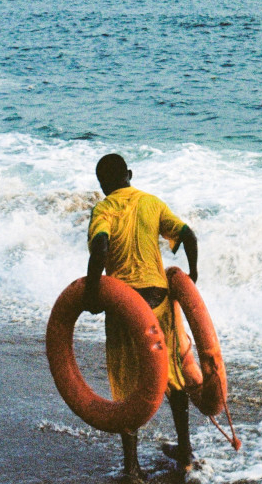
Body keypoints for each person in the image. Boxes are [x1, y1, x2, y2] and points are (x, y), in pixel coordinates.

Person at [82, 153, 199, 480]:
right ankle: (186, 452)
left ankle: (132, 469)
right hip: (159, 301)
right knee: (172, 373)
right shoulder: (152, 203)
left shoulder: (104, 209)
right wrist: (192, 274)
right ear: (129, 174)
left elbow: (101, 248)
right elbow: (188, 235)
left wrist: (92, 294)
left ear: (102, 184)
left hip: (124, 306)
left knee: (125, 384)